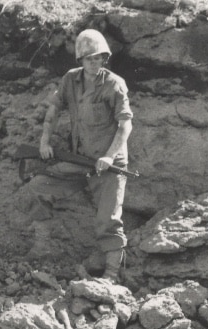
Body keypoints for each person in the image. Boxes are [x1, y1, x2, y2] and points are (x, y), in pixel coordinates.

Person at [19, 28, 133, 278]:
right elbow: (53, 108)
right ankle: (43, 246)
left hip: (109, 166)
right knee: (39, 186)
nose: (95, 62)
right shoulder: (71, 79)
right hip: (79, 160)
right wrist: (44, 141)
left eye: (100, 58)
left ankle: (111, 276)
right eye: (90, 58)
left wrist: (110, 156)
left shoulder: (114, 84)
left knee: (109, 221)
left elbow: (125, 125)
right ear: (80, 59)